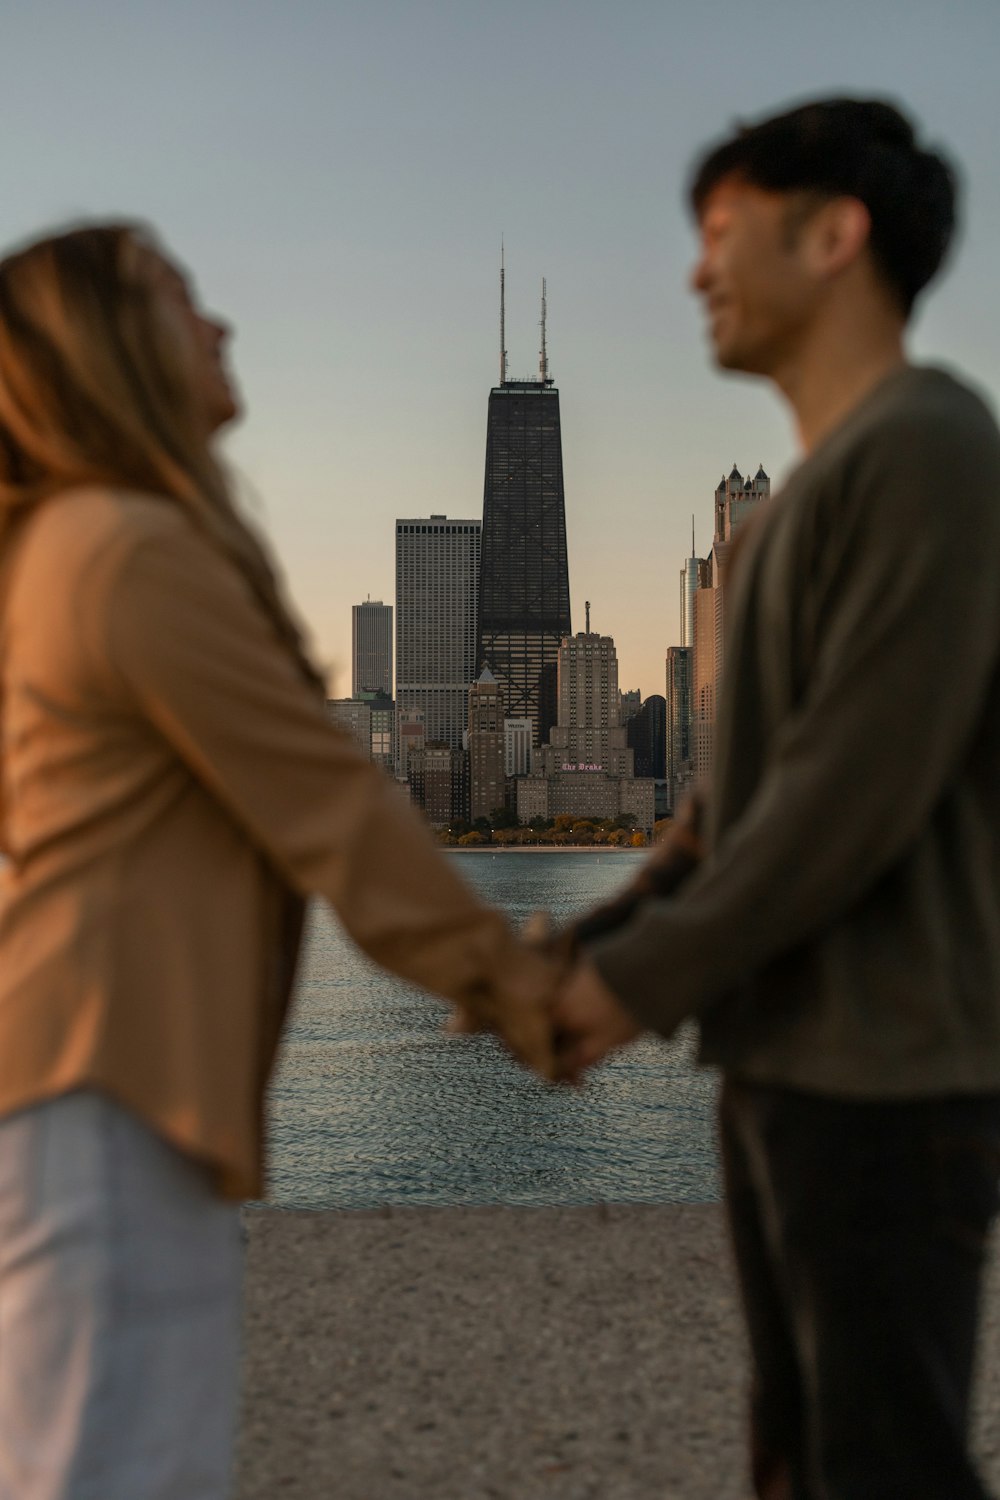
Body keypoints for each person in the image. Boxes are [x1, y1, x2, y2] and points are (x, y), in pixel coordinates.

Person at [0, 222, 559, 1500]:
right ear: (105, 349)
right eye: (180, 298)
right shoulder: (130, 550)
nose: (221, 325)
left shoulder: (53, 552)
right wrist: (521, 988)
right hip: (109, 1097)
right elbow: (332, 809)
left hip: (76, 1085)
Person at [553, 98, 1000, 1498]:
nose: (697, 272)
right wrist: (585, 946)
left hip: (893, 1073)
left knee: (885, 1464)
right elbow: (725, 812)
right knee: (802, 1459)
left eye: (722, 233)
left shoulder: (934, 451)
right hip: (786, 1068)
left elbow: (848, 796)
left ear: (835, 235)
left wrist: (634, 987)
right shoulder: (797, 513)